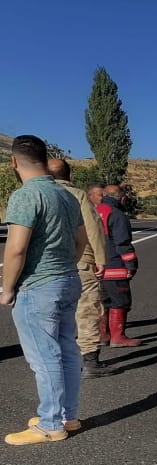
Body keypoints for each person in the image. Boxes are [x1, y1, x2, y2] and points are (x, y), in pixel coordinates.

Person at [1, 135, 86, 445]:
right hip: (67, 280)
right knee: (65, 348)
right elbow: (80, 242)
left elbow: (16, 249)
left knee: (44, 356)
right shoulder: (66, 196)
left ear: (14, 162)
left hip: (38, 285)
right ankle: (68, 415)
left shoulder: (25, 196)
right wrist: (63, 266)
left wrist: (7, 288)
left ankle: (51, 422)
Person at [48, 160, 116, 378]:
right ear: (70, 174)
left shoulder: (39, 193)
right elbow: (92, 227)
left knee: (53, 313)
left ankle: (55, 361)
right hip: (79, 260)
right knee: (87, 309)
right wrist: (101, 258)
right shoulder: (77, 195)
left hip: (48, 264)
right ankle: (90, 360)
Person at [96, 185, 142, 347]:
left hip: (97, 267)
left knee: (104, 301)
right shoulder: (117, 215)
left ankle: (104, 335)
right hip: (115, 266)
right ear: (121, 199)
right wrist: (131, 264)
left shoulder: (95, 211)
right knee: (120, 301)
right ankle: (118, 336)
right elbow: (122, 243)